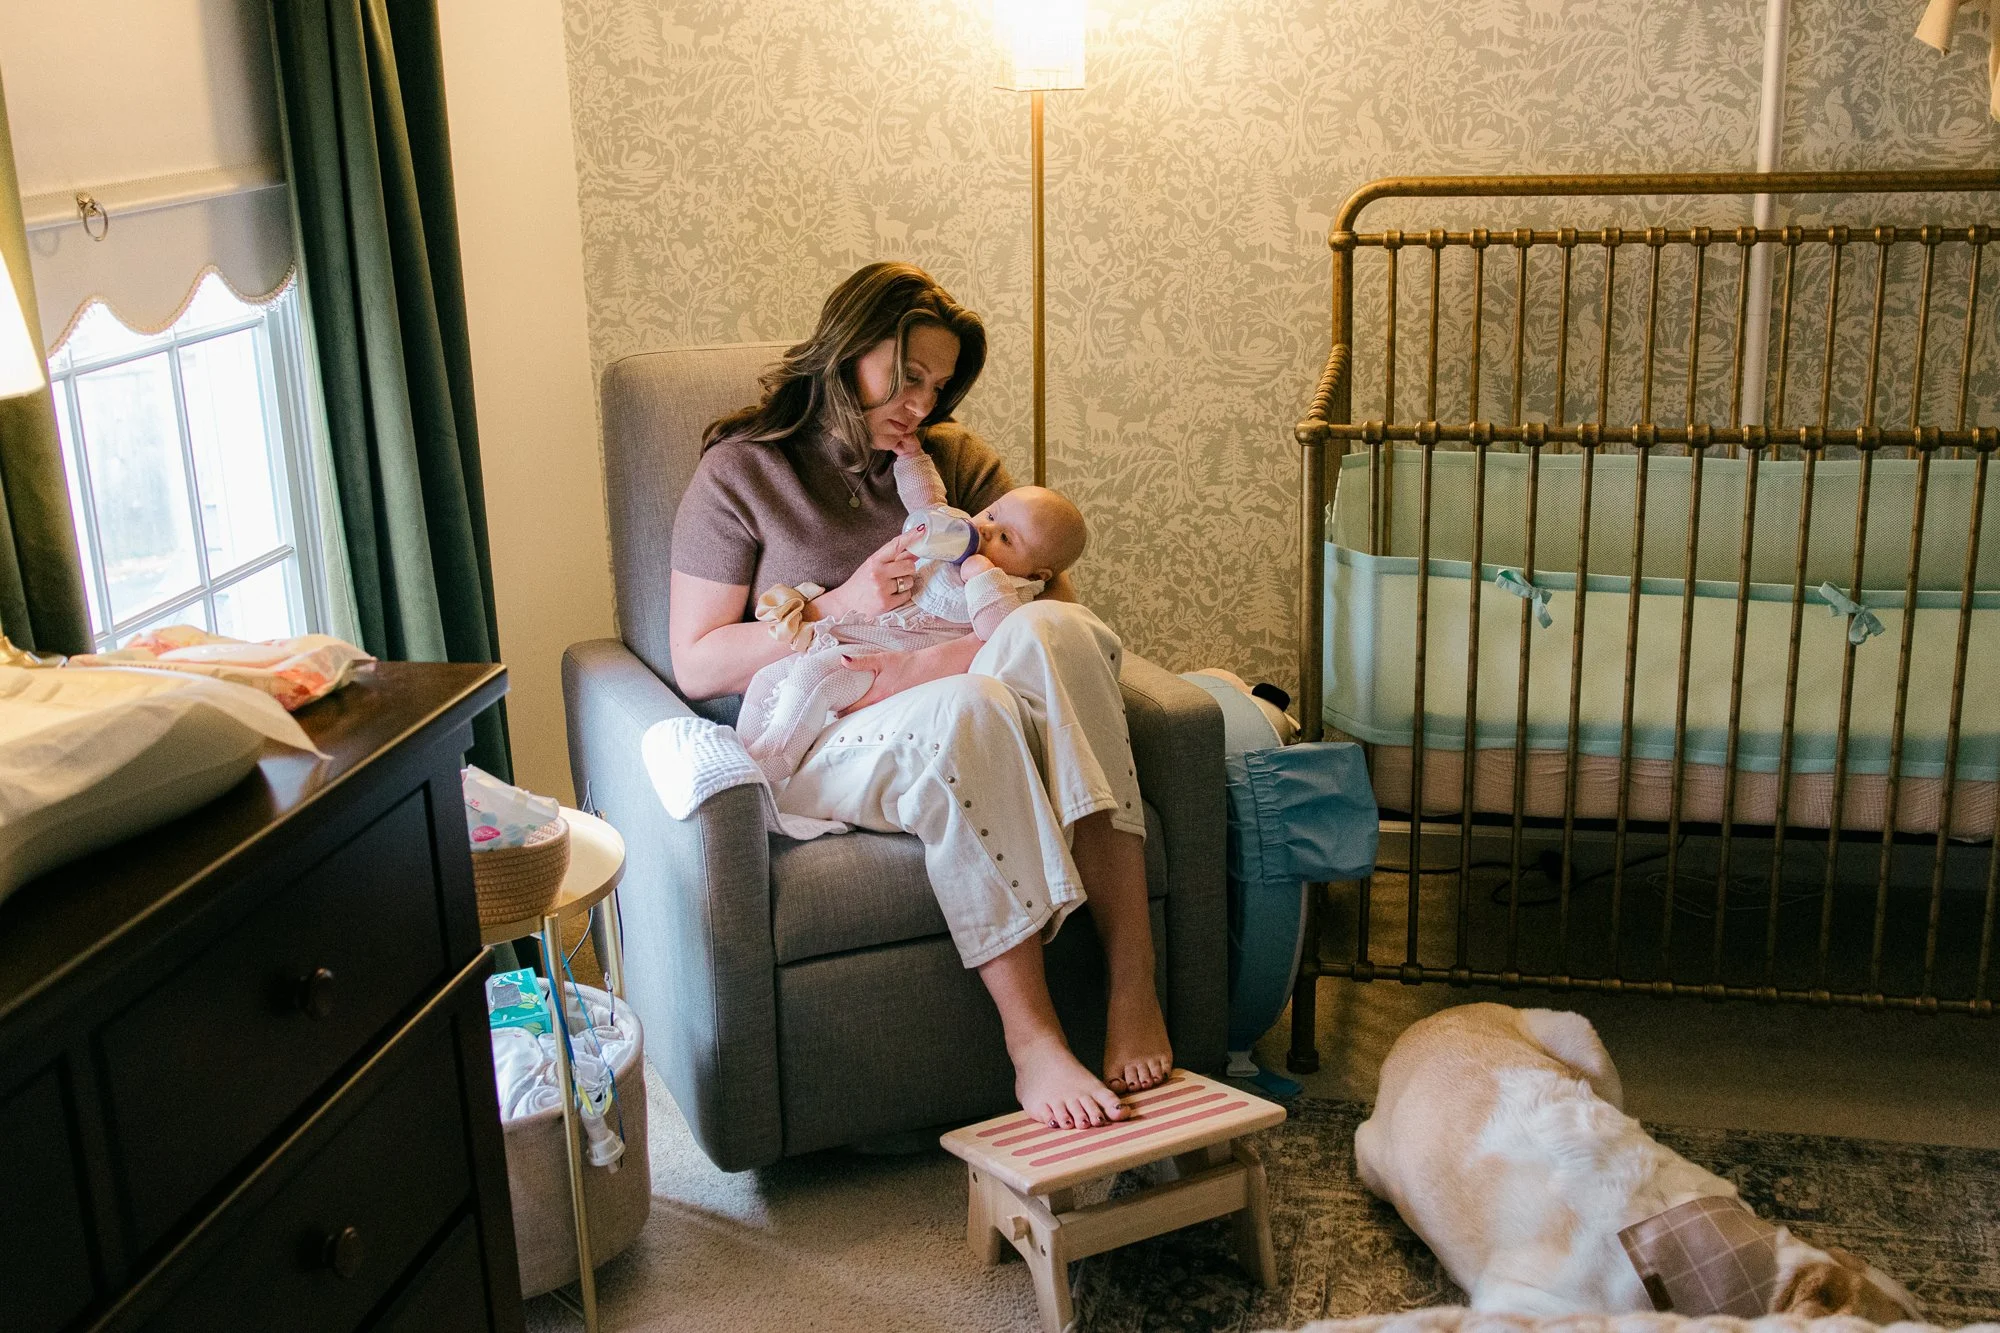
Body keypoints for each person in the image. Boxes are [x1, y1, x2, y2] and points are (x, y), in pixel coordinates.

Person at [668, 261, 1170, 1130]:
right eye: (906, 377)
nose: (923, 405)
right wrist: (843, 604)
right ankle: (1034, 1042)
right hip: (828, 725)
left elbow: (1049, 607)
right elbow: (699, 662)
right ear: (846, 350)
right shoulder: (741, 472)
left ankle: (1134, 978)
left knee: (1067, 635)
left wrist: (977, 627)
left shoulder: (955, 461)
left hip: (958, 679)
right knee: (968, 712)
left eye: (937, 385)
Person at [735, 439, 1090, 787]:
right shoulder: (957, 533)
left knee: (819, 674)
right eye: (992, 514)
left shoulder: (1010, 589)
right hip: (864, 633)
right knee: (769, 675)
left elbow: (1003, 636)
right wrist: (910, 457)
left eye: (1006, 539)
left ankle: (770, 765)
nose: (985, 529)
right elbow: (927, 504)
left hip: (893, 662)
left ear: (1037, 574)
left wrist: (982, 576)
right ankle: (744, 752)